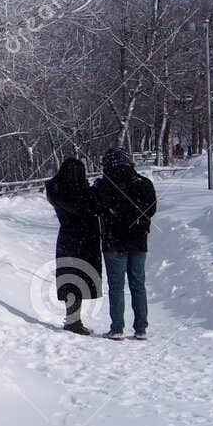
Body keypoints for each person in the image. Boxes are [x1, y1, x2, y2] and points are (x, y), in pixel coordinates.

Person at [93, 146, 157, 341]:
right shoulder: (144, 183)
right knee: (138, 284)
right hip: (138, 241)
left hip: (113, 242)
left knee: (116, 286)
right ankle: (141, 328)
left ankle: (117, 328)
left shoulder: (104, 185)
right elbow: (152, 209)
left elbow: (96, 208)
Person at [44, 157, 102, 335]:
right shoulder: (80, 193)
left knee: (71, 279)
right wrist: (95, 190)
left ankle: (73, 319)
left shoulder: (57, 190)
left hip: (68, 239)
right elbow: (85, 207)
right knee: (78, 278)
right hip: (84, 238)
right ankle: (73, 322)